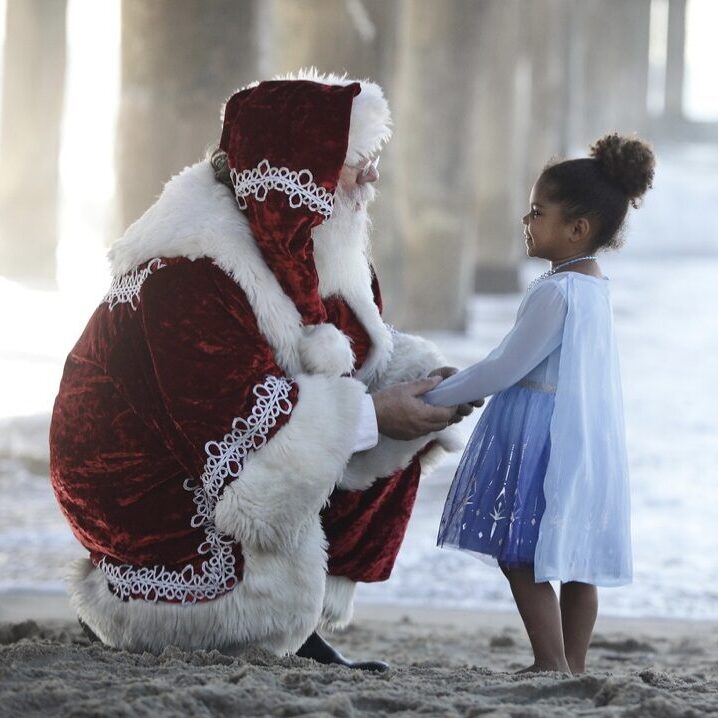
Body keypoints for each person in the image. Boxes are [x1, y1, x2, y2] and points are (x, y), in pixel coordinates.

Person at [49, 71, 473, 669]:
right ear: (301, 169)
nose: (372, 176)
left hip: (201, 449)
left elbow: (355, 361)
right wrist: (376, 414)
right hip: (143, 484)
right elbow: (242, 437)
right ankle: (184, 617)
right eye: (356, 161)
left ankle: (297, 629)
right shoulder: (187, 273)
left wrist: (428, 385)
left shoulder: (315, 245)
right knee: (315, 440)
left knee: (373, 422)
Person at [424, 134, 655, 674]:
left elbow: (504, 368)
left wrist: (434, 397)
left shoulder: (556, 292)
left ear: (578, 228)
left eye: (536, 212)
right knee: (579, 562)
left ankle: (549, 661)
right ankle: (572, 663)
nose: (525, 222)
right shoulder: (595, 287)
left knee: (519, 554)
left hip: (539, 432)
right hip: (587, 434)